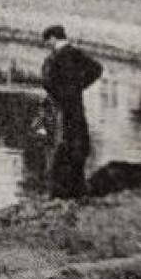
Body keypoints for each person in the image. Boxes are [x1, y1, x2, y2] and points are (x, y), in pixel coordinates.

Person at [39, 24, 103, 199]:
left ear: (53, 38)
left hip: (61, 106)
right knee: (78, 140)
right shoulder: (76, 53)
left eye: (47, 41)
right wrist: (79, 87)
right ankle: (77, 185)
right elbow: (97, 69)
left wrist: (59, 94)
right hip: (76, 103)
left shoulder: (54, 58)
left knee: (60, 143)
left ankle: (59, 189)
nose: (47, 45)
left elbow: (46, 81)